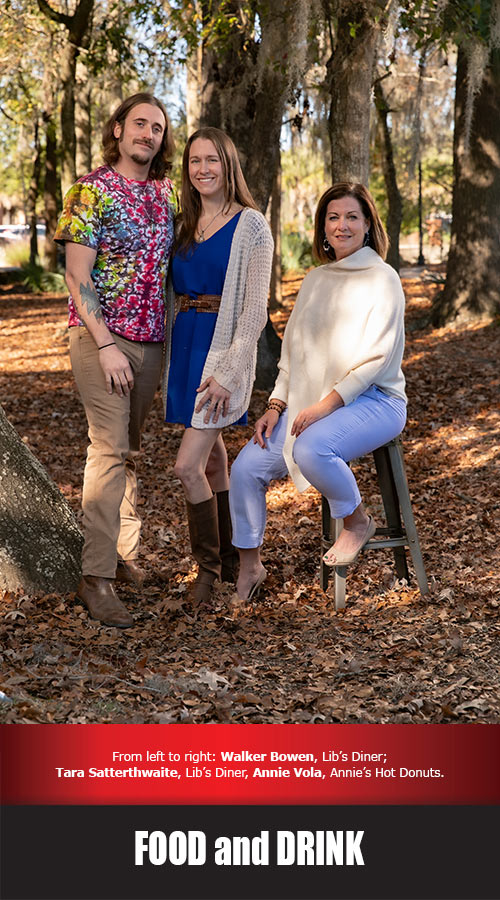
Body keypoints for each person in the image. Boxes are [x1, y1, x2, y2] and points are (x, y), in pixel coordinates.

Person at [229, 183, 407, 603]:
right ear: (322, 228)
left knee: (311, 448)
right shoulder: (315, 279)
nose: (341, 225)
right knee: (245, 468)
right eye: (332, 217)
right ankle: (251, 566)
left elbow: (375, 360)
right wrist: (277, 404)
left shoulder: (384, 279)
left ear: (367, 226)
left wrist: (325, 405)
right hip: (314, 403)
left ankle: (357, 522)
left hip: (377, 401)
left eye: (351, 217)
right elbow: (294, 354)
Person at [54, 92, 177, 628]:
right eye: (140, 124)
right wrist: (105, 344)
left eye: (158, 128)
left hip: (152, 343)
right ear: (118, 128)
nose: (148, 134)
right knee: (107, 449)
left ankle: (121, 556)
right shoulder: (91, 190)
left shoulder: (168, 195)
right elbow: (77, 276)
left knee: (127, 451)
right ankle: (96, 578)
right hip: (101, 338)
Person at [163, 126, 273, 604]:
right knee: (210, 460)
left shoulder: (251, 225)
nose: (203, 168)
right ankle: (231, 561)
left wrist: (229, 372)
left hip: (221, 354)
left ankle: (206, 573)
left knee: (186, 465)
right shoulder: (183, 223)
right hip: (185, 348)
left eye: (212, 159)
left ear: (229, 165)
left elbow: (253, 311)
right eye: (194, 161)